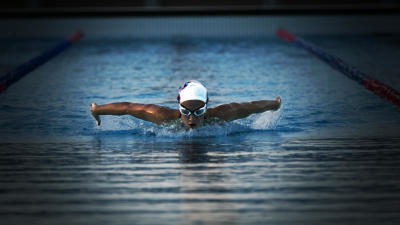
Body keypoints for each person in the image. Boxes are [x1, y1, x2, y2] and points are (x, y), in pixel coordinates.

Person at [91, 80, 281, 129]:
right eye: (185, 111)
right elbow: (128, 107)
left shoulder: (222, 114)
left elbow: (253, 106)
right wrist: (97, 110)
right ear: (178, 105)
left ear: (207, 105)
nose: (191, 118)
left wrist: (274, 104)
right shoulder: (162, 116)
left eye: (199, 112)